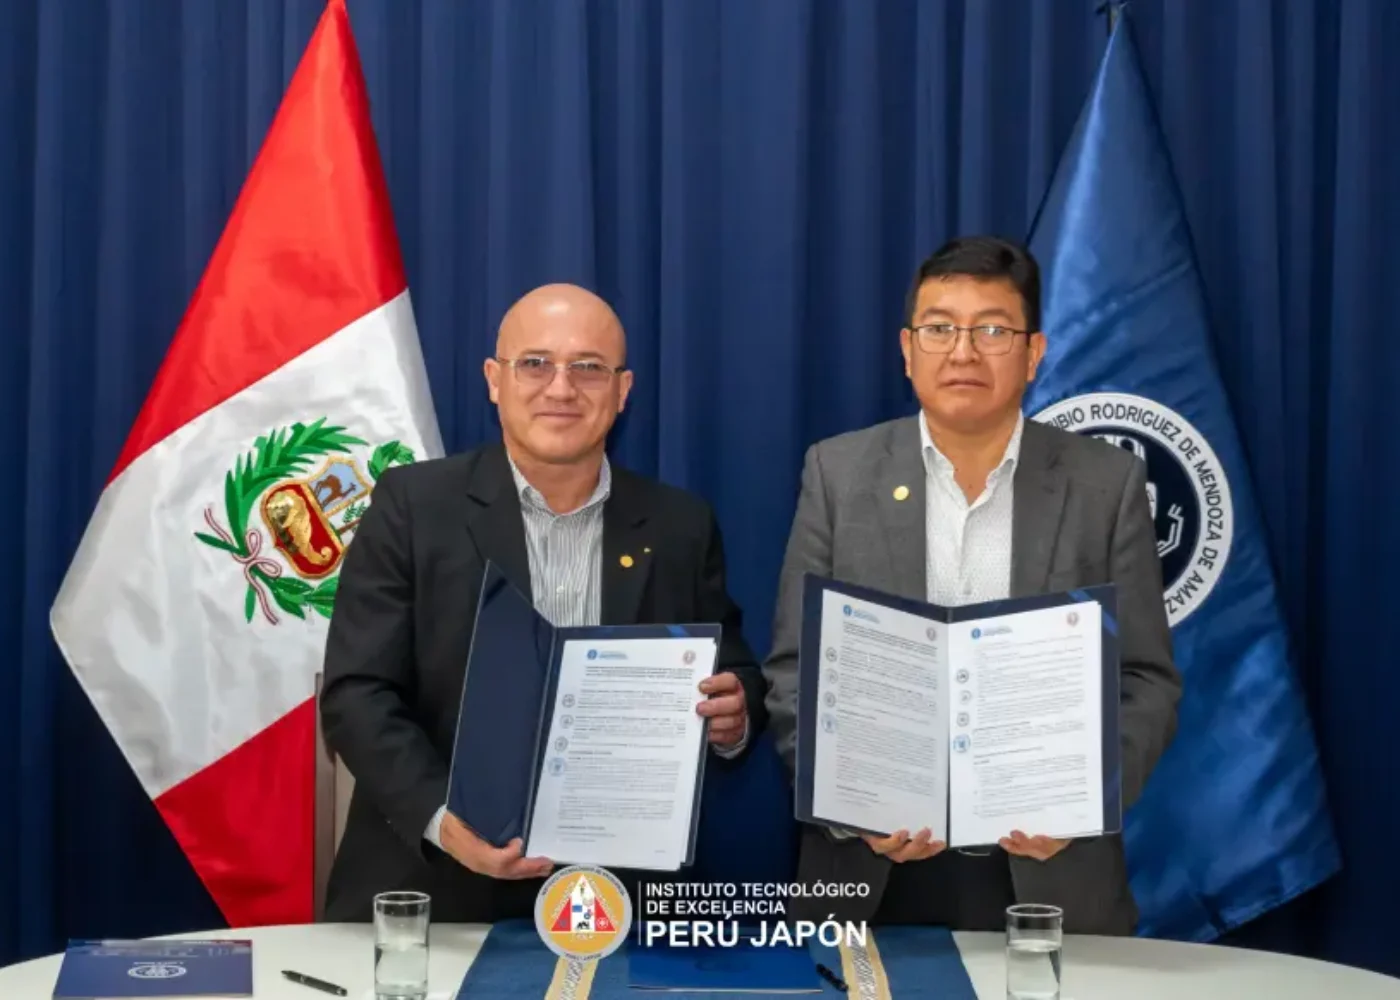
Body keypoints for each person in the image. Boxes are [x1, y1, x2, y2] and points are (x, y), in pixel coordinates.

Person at [763, 236, 1180, 935]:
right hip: (871, 877)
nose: (962, 352)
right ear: (907, 348)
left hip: (1050, 872)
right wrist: (851, 805)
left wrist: (1082, 803)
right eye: (939, 328)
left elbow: (1145, 679)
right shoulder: (838, 474)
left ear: (1033, 352)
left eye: (992, 329)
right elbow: (792, 671)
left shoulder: (1105, 483)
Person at [319, 283, 767, 923]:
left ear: (623, 390)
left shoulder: (679, 526)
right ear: (494, 380)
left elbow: (737, 672)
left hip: (619, 899)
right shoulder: (413, 508)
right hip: (435, 888)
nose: (561, 388)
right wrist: (445, 822)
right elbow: (357, 694)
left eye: (589, 367)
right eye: (535, 363)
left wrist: (734, 715)